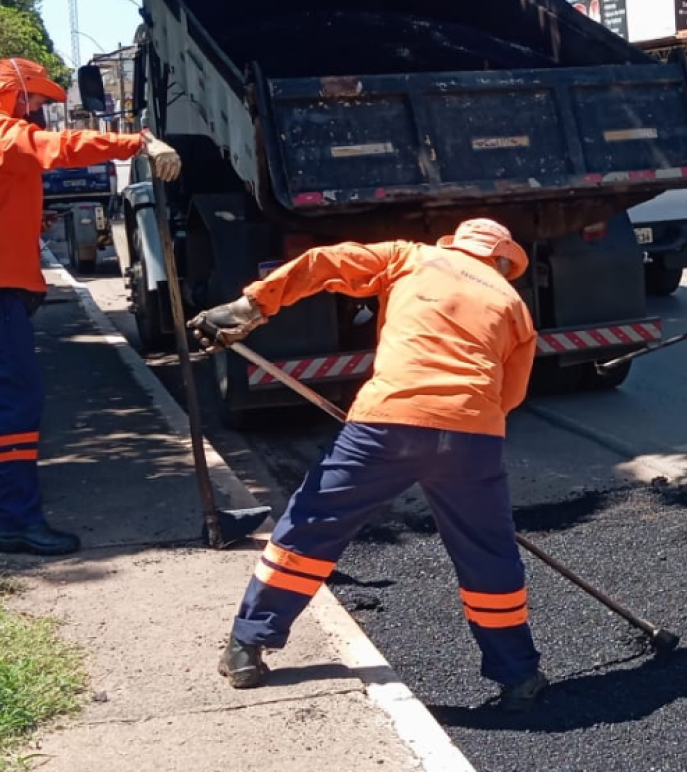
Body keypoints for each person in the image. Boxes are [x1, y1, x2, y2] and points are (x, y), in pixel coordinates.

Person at [188, 218, 547, 712]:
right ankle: (519, 676)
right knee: (489, 554)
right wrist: (458, 427)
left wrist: (251, 305)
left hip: (387, 424)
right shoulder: (513, 304)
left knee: (313, 525)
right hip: (472, 436)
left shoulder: (412, 256)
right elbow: (511, 395)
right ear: (504, 261)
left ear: (456, 244)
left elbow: (325, 264)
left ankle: (247, 647)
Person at [0, 57, 180, 556]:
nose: (38, 111)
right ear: (15, 93)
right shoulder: (6, 134)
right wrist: (137, 142)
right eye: (36, 100)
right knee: (16, 403)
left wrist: (31, 222)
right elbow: (62, 146)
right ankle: (14, 519)